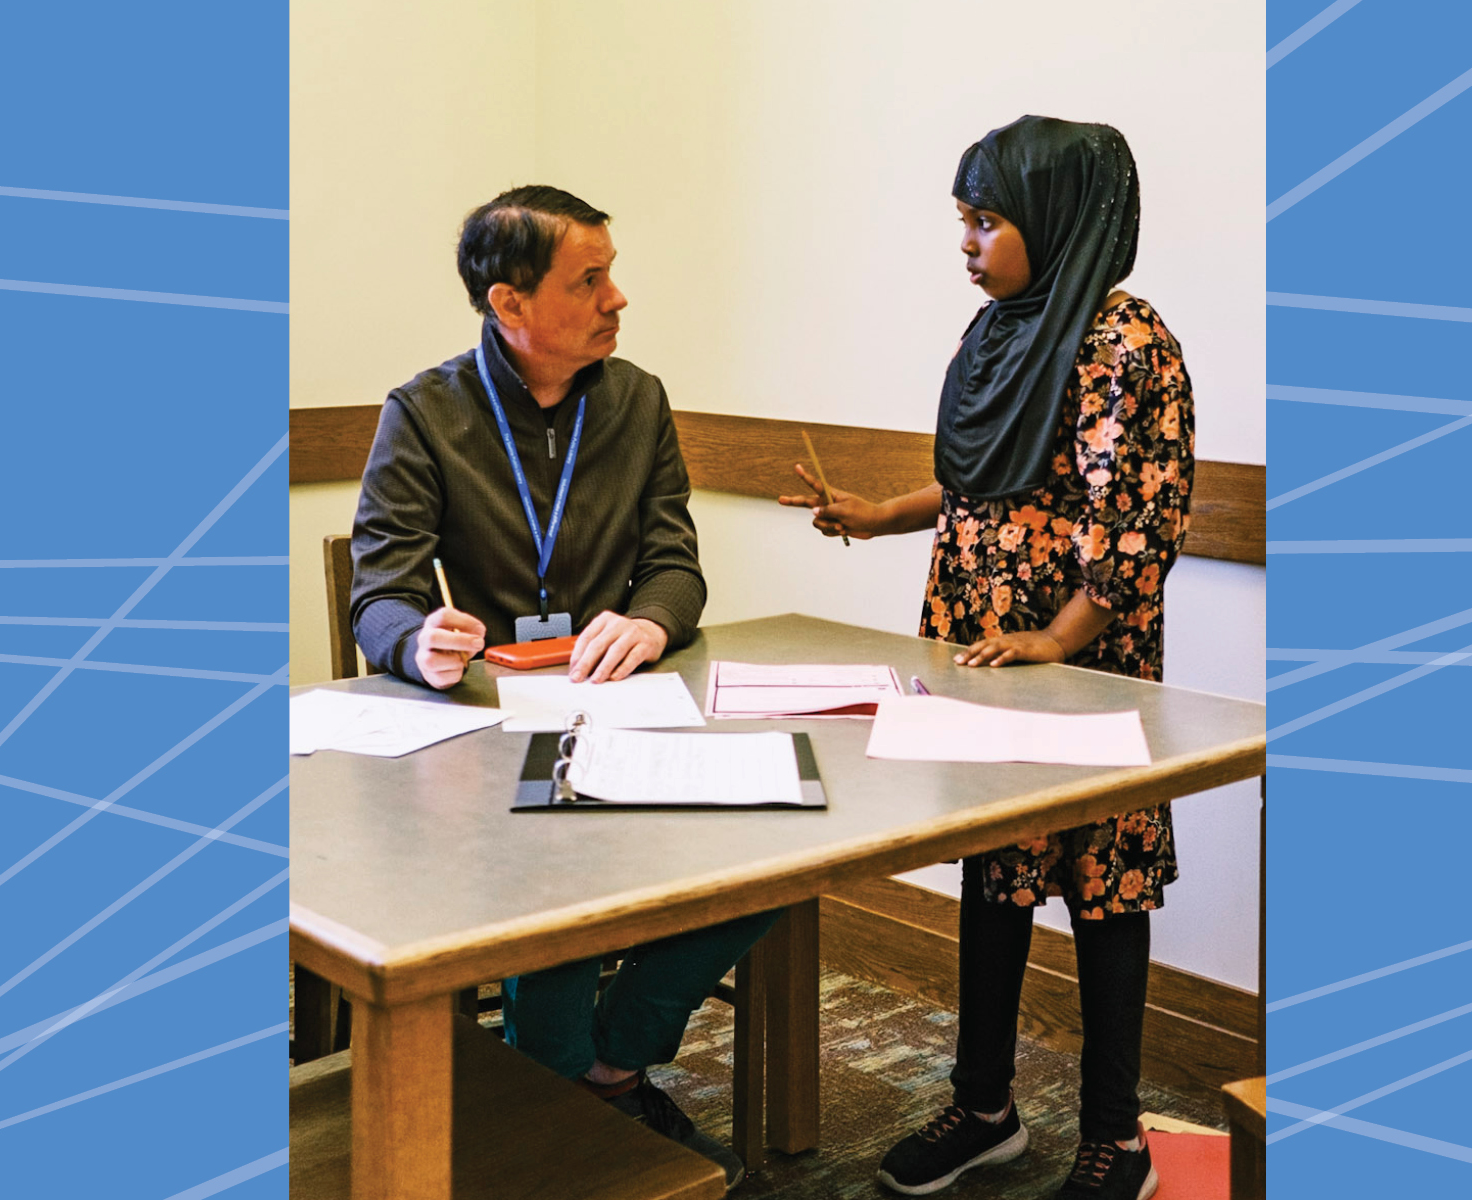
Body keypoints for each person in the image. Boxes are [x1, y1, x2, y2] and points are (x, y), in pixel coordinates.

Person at [780, 117, 1194, 1200]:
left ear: (1057, 220)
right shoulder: (1002, 328)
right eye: (962, 220)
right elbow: (985, 480)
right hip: (983, 637)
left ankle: (1118, 1134)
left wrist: (1055, 639)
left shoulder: (1123, 339)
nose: (966, 242)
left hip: (1079, 657)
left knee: (1102, 887)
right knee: (995, 865)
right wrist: (877, 515)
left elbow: (1138, 522)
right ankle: (984, 1107)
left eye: (987, 219)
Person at [351, 185, 774, 1188]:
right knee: (546, 855)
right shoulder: (426, 411)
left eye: (611, 271)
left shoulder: (637, 401)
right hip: (483, 738)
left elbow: (675, 558)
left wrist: (652, 617)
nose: (617, 298)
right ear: (509, 304)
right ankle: (561, 1100)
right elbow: (380, 592)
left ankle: (608, 1057)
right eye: (590, 280)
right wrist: (423, 642)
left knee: (783, 840)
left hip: (621, 713)